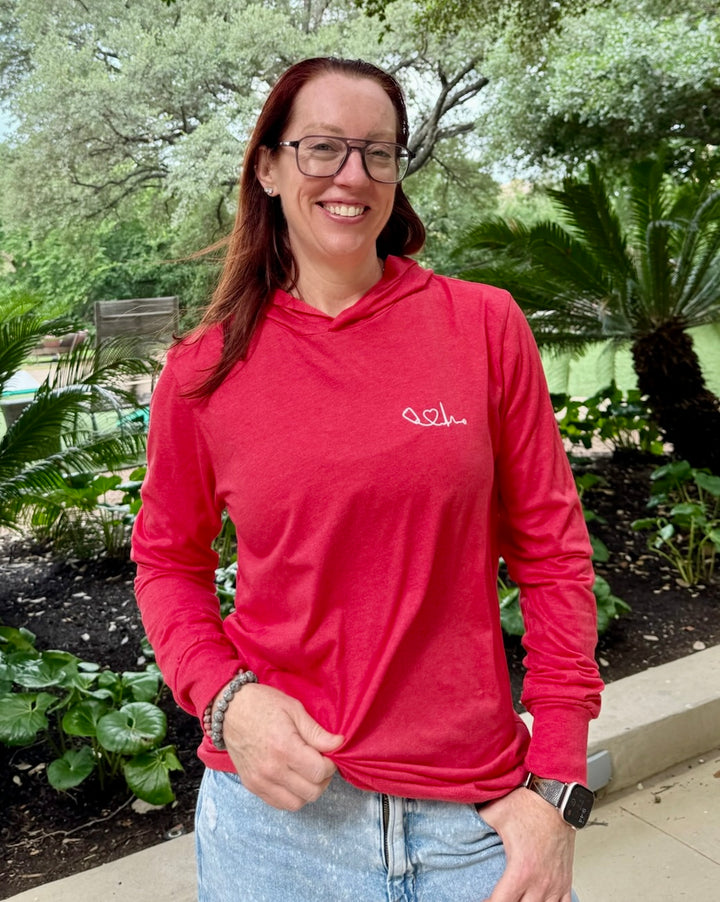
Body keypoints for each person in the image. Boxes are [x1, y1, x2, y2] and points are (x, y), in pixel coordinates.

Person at [132, 57, 603, 902]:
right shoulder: (203, 370)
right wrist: (227, 701)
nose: (352, 175)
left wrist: (558, 785)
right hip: (276, 830)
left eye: (378, 152)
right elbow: (168, 562)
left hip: (475, 823)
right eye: (322, 148)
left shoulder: (483, 326)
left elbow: (552, 555)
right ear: (268, 168)